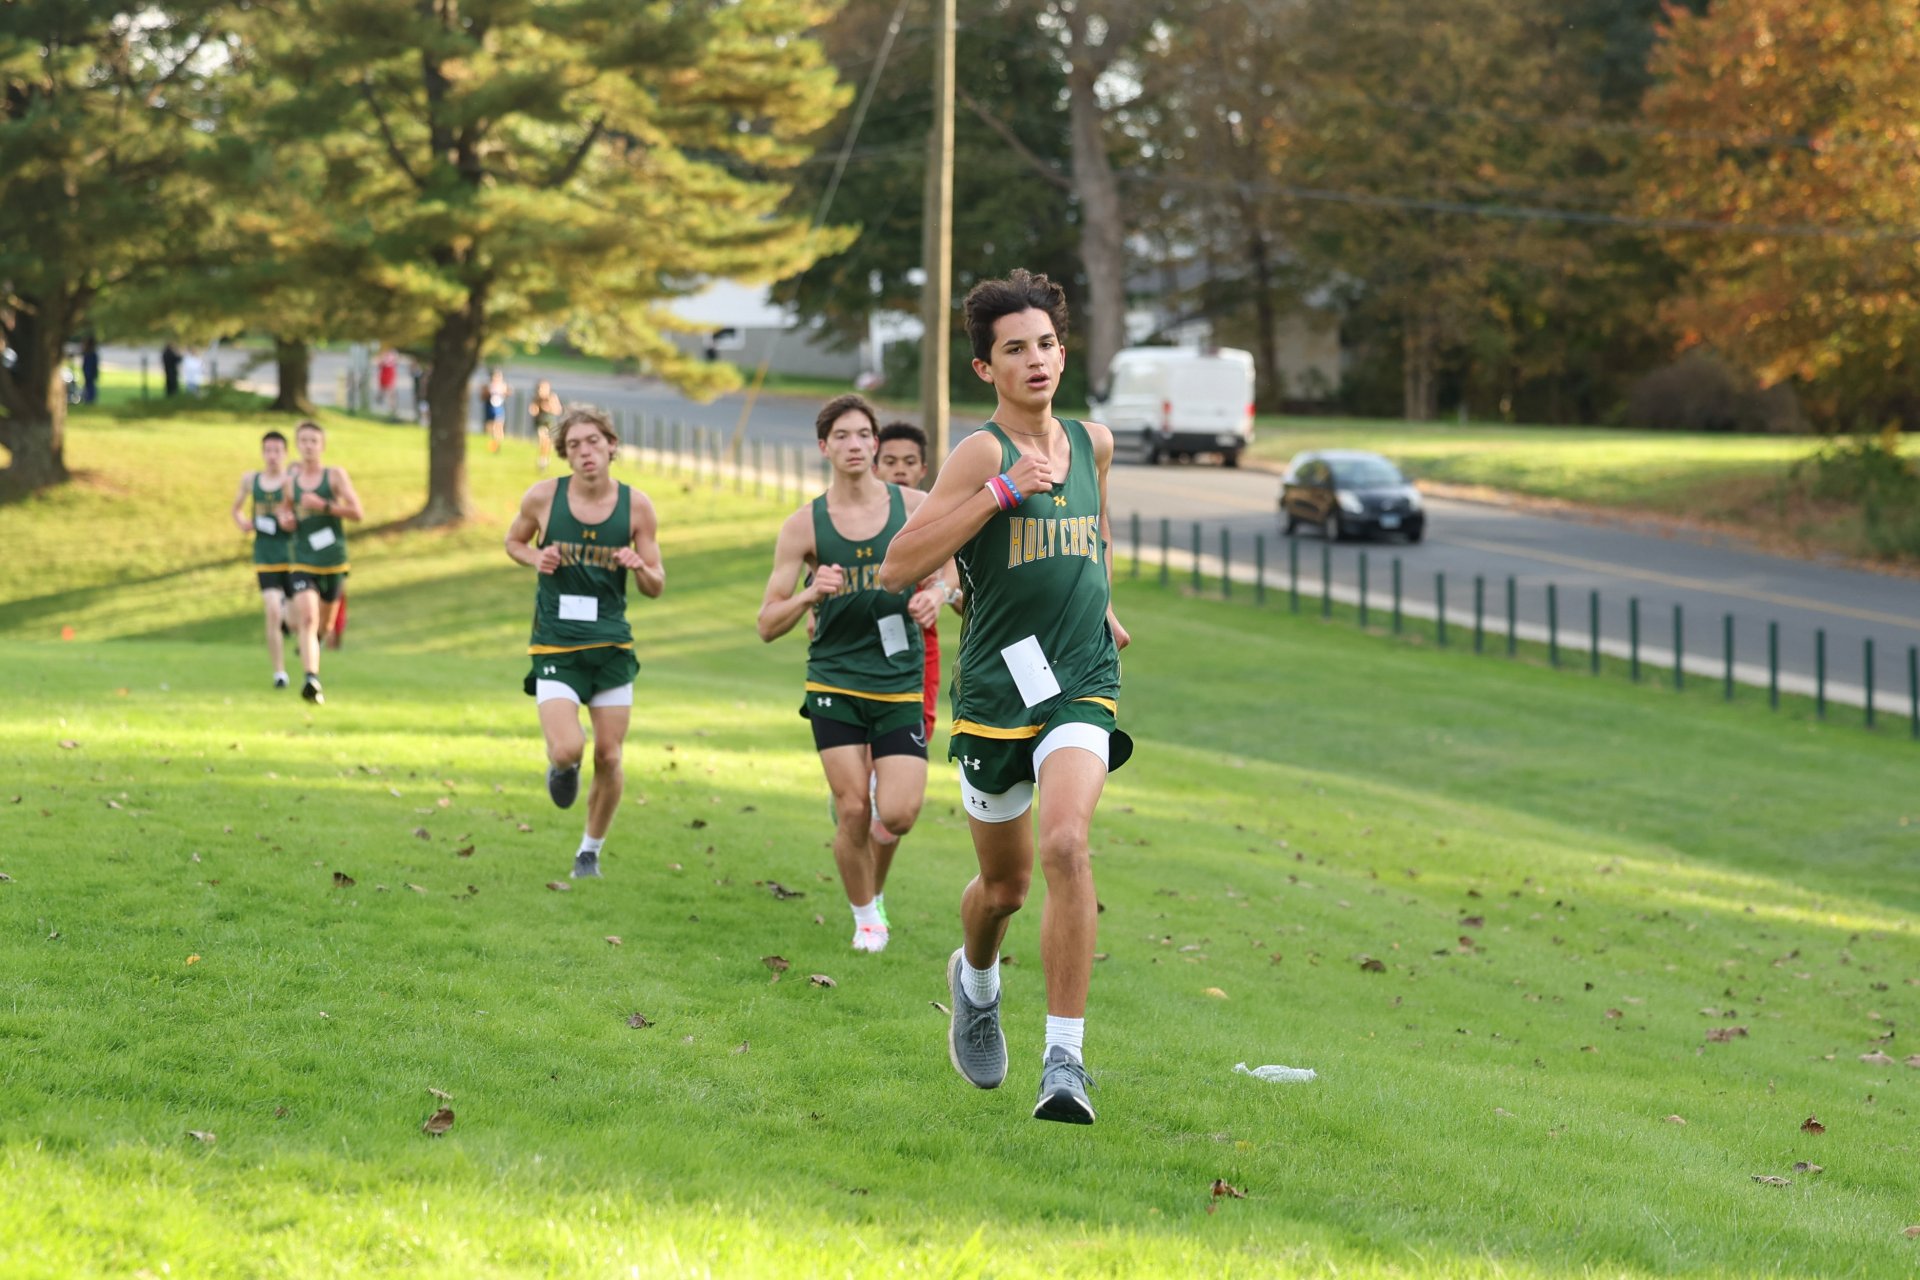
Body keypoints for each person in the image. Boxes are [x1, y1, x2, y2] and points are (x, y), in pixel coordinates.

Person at [880, 269, 1131, 1125]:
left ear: (1065, 351)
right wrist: (999, 495)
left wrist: (1105, 603)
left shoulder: (1094, 444)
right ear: (985, 367)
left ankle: (1065, 1063)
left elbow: (1092, 537)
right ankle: (976, 982)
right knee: (1006, 890)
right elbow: (899, 565)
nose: (1036, 361)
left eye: (1047, 345)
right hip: (995, 692)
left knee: (1067, 842)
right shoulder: (982, 452)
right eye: (1014, 349)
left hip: (1082, 682)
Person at [756, 395, 945, 954]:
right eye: (842, 436)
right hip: (834, 681)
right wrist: (812, 592)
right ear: (824, 447)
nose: (856, 445)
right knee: (854, 809)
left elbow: (956, 564)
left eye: (864, 434)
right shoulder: (803, 525)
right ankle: (867, 919)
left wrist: (939, 592)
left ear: (876, 443)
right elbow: (767, 623)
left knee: (900, 812)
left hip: (898, 680)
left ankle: (870, 883)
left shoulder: (913, 506)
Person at [505, 406, 665, 879]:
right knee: (568, 749)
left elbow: (656, 584)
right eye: (573, 446)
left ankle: (589, 851)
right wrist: (537, 556)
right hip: (556, 643)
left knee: (611, 755)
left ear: (611, 445)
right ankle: (562, 769)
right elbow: (513, 542)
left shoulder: (637, 507)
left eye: (593, 441)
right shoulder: (542, 498)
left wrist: (638, 566)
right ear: (565, 455)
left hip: (612, 646)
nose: (585, 452)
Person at [873, 421, 963, 742]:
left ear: (923, 469)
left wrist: (940, 591)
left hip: (917, 647)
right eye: (890, 461)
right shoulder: (852, 517)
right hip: (859, 649)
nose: (900, 470)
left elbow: (961, 589)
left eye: (909, 462)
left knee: (912, 741)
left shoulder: (935, 517)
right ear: (874, 466)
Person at [287, 421, 364, 704]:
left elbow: (358, 513)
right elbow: (285, 513)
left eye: (313, 441)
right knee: (308, 617)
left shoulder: (334, 477)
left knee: (325, 626)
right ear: (297, 444)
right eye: (303, 441)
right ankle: (311, 679)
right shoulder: (290, 482)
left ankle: (315, 645)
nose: (308, 446)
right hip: (302, 559)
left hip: (333, 560)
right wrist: (287, 520)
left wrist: (325, 507)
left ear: (322, 446)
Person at [230, 430, 297, 689]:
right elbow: (235, 509)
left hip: (290, 557)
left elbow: (298, 518)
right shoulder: (251, 480)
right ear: (262, 452)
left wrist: (288, 522)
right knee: (271, 611)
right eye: (267, 450)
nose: (272, 456)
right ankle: (279, 673)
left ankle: (298, 640)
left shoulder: (291, 482)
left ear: (285, 453)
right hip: (265, 556)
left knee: (292, 620)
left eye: (277, 451)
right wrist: (244, 524)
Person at [529, 379, 563, 473]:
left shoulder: (552, 397)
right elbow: (533, 410)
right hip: (541, 423)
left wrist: (549, 408)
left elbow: (558, 410)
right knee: (542, 439)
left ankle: (544, 459)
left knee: (548, 443)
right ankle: (542, 460)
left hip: (549, 423)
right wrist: (535, 409)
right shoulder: (537, 399)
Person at [481, 368, 509, 453]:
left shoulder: (503, 386)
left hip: (499, 408)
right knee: (490, 427)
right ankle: (492, 444)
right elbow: (482, 397)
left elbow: (507, 393)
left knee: (498, 425)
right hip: (490, 407)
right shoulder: (487, 386)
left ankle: (498, 445)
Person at [376, 347, 399, 418]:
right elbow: (379, 364)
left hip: (389, 376)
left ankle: (392, 409)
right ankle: (382, 400)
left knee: (390, 393)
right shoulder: (384, 356)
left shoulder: (392, 356)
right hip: (385, 376)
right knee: (384, 391)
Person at [80, 338, 99, 405]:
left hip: (89, 372)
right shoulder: (91, 353)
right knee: (89, 385)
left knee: (90, 385)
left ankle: (90, 399)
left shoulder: (90, 354)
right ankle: (89, 399)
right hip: (89, 372)